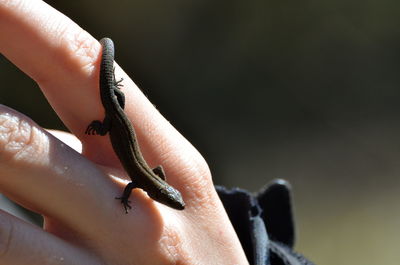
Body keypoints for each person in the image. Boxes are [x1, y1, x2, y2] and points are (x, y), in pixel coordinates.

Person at [0, 0, 314, 264]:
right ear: (159, 192)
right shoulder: (139, 183)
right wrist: (123, 198)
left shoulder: (146, 179)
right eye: (172, 198)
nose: (175, 201)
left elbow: (150, 176)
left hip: (116, 114)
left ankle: (108, 86)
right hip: (113, 118)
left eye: (171, 198)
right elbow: (127, 189)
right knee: (109, 103)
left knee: (112, 99)